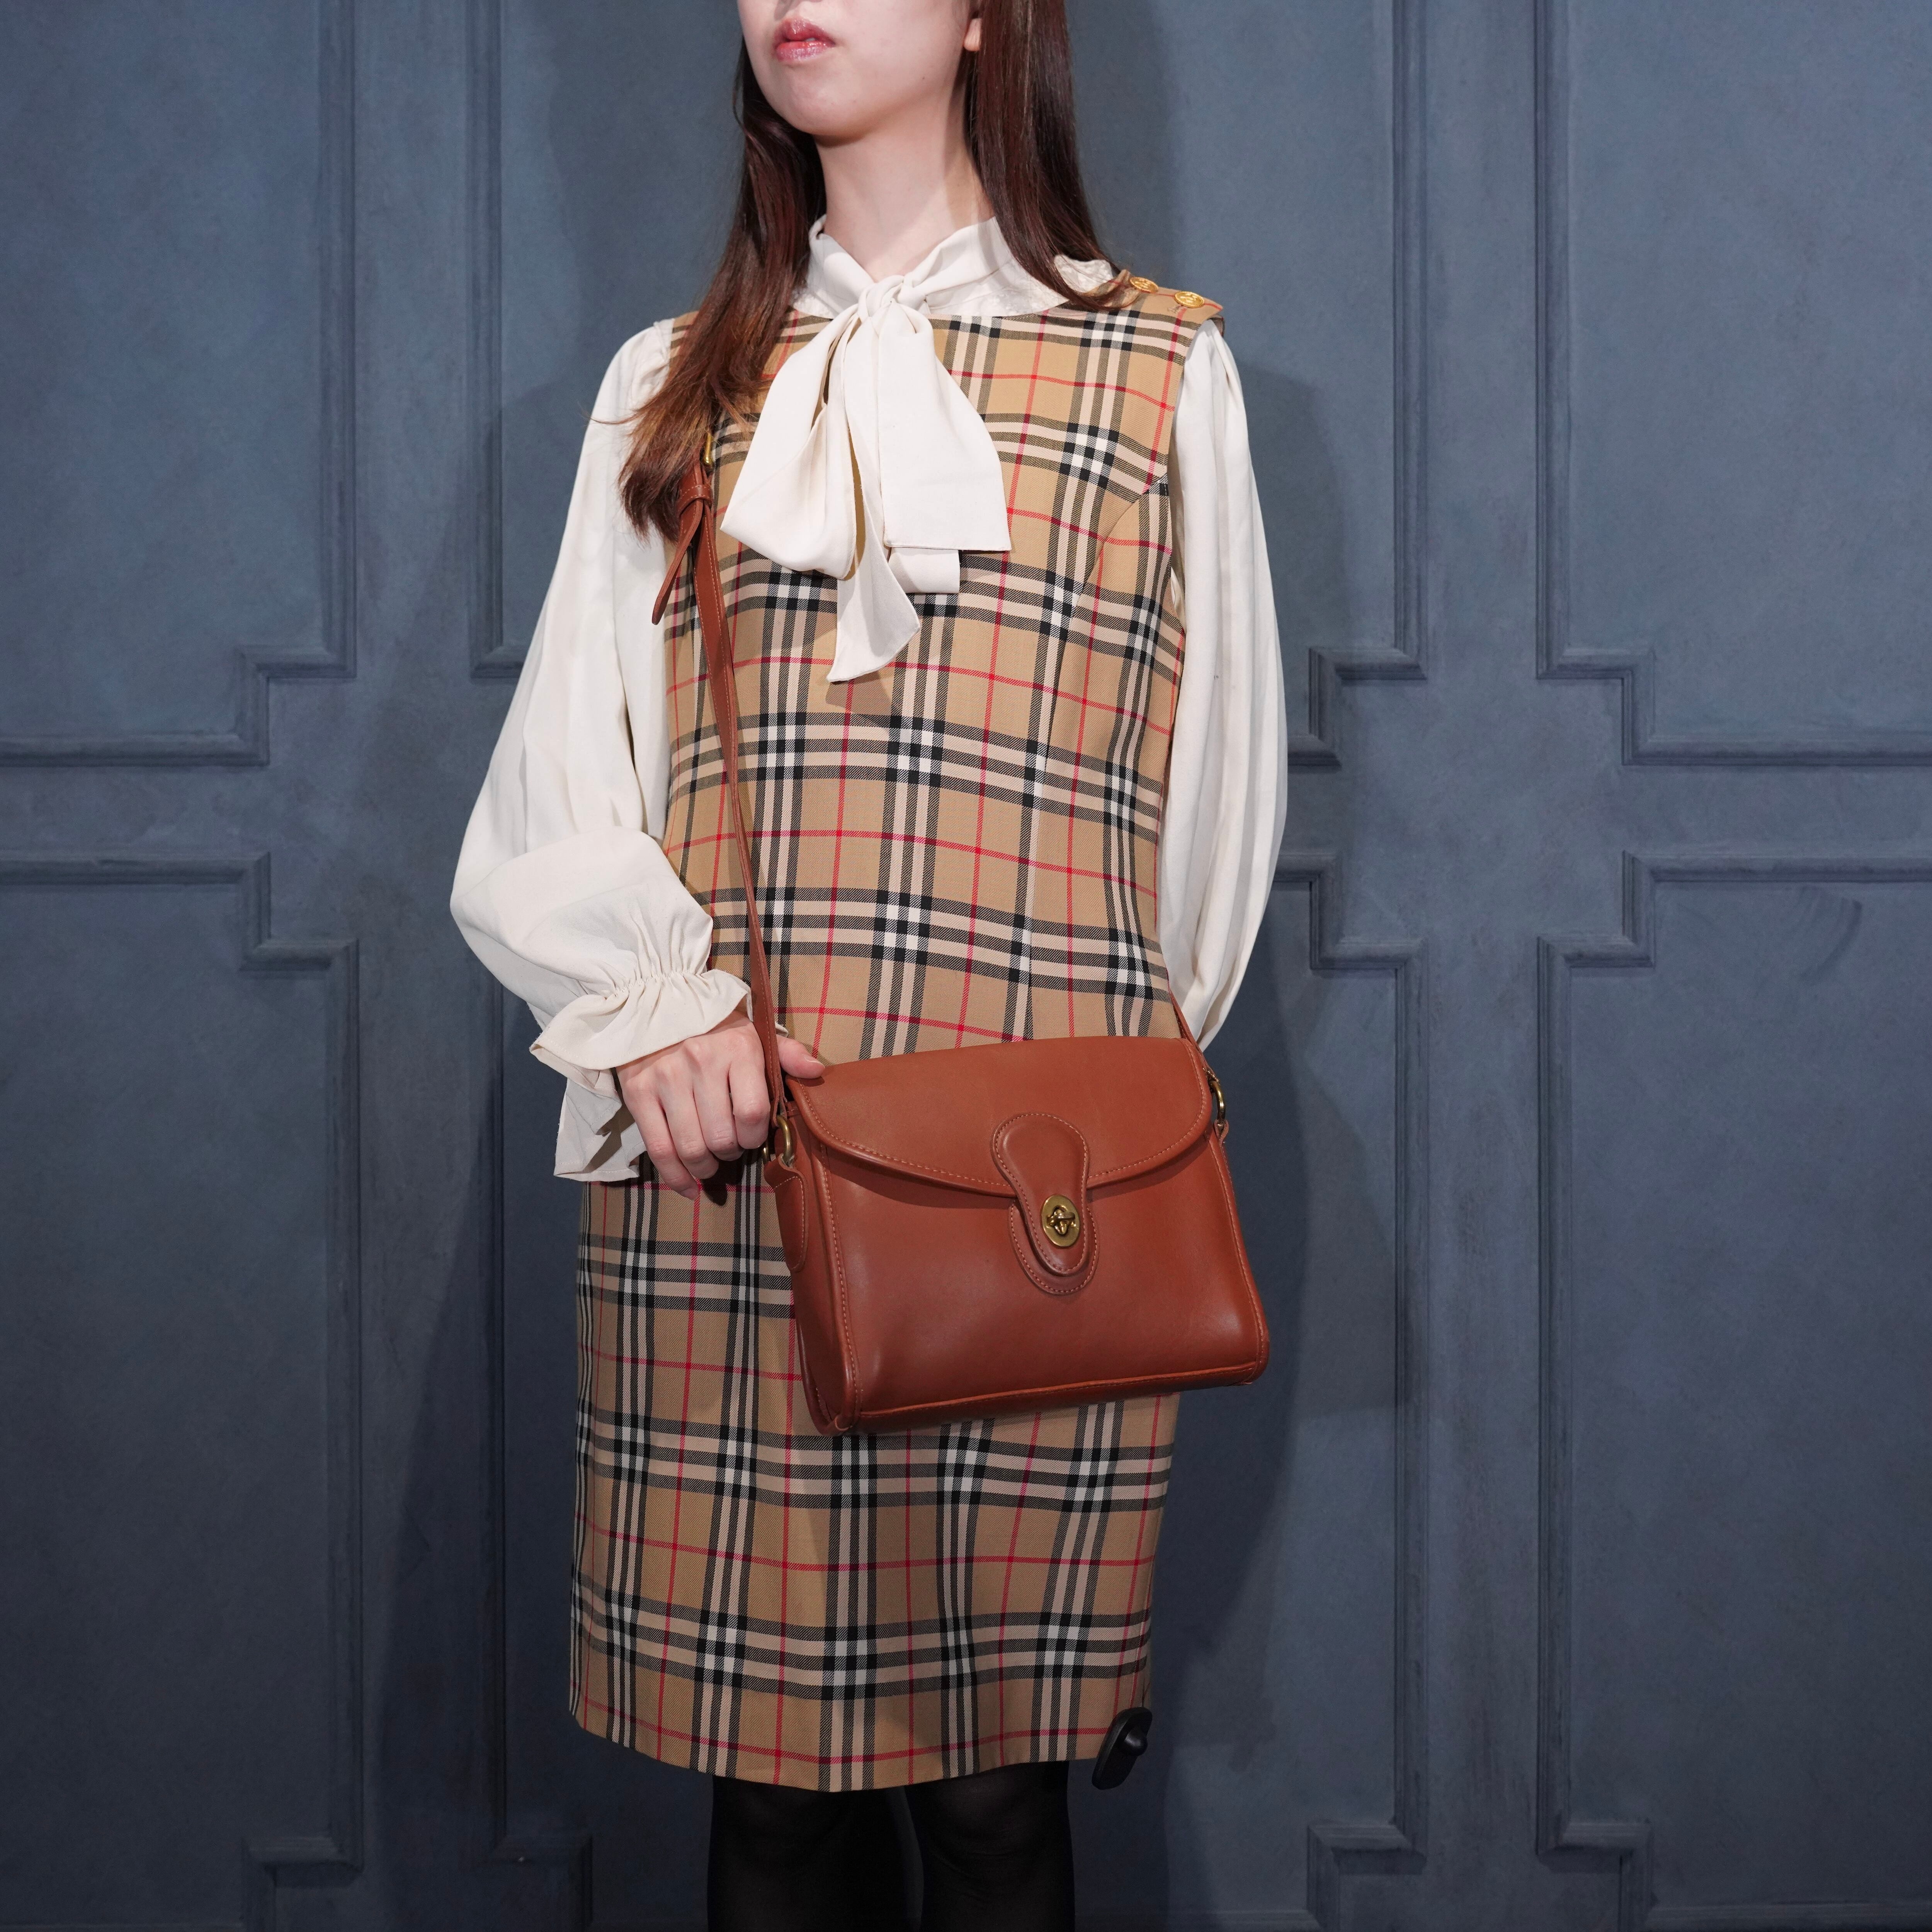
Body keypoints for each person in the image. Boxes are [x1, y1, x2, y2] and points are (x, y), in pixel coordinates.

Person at [451, 1, 1287, 1925]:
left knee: (998, 1801)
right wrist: (650, 1013)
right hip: (735, 1169)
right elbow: (569, 762)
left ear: (989, 15)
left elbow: (1210, 824)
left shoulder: (1159, 369)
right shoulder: (669, 381)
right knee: (768, 1809)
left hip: (1034, 1208)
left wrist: (1087, 1108)